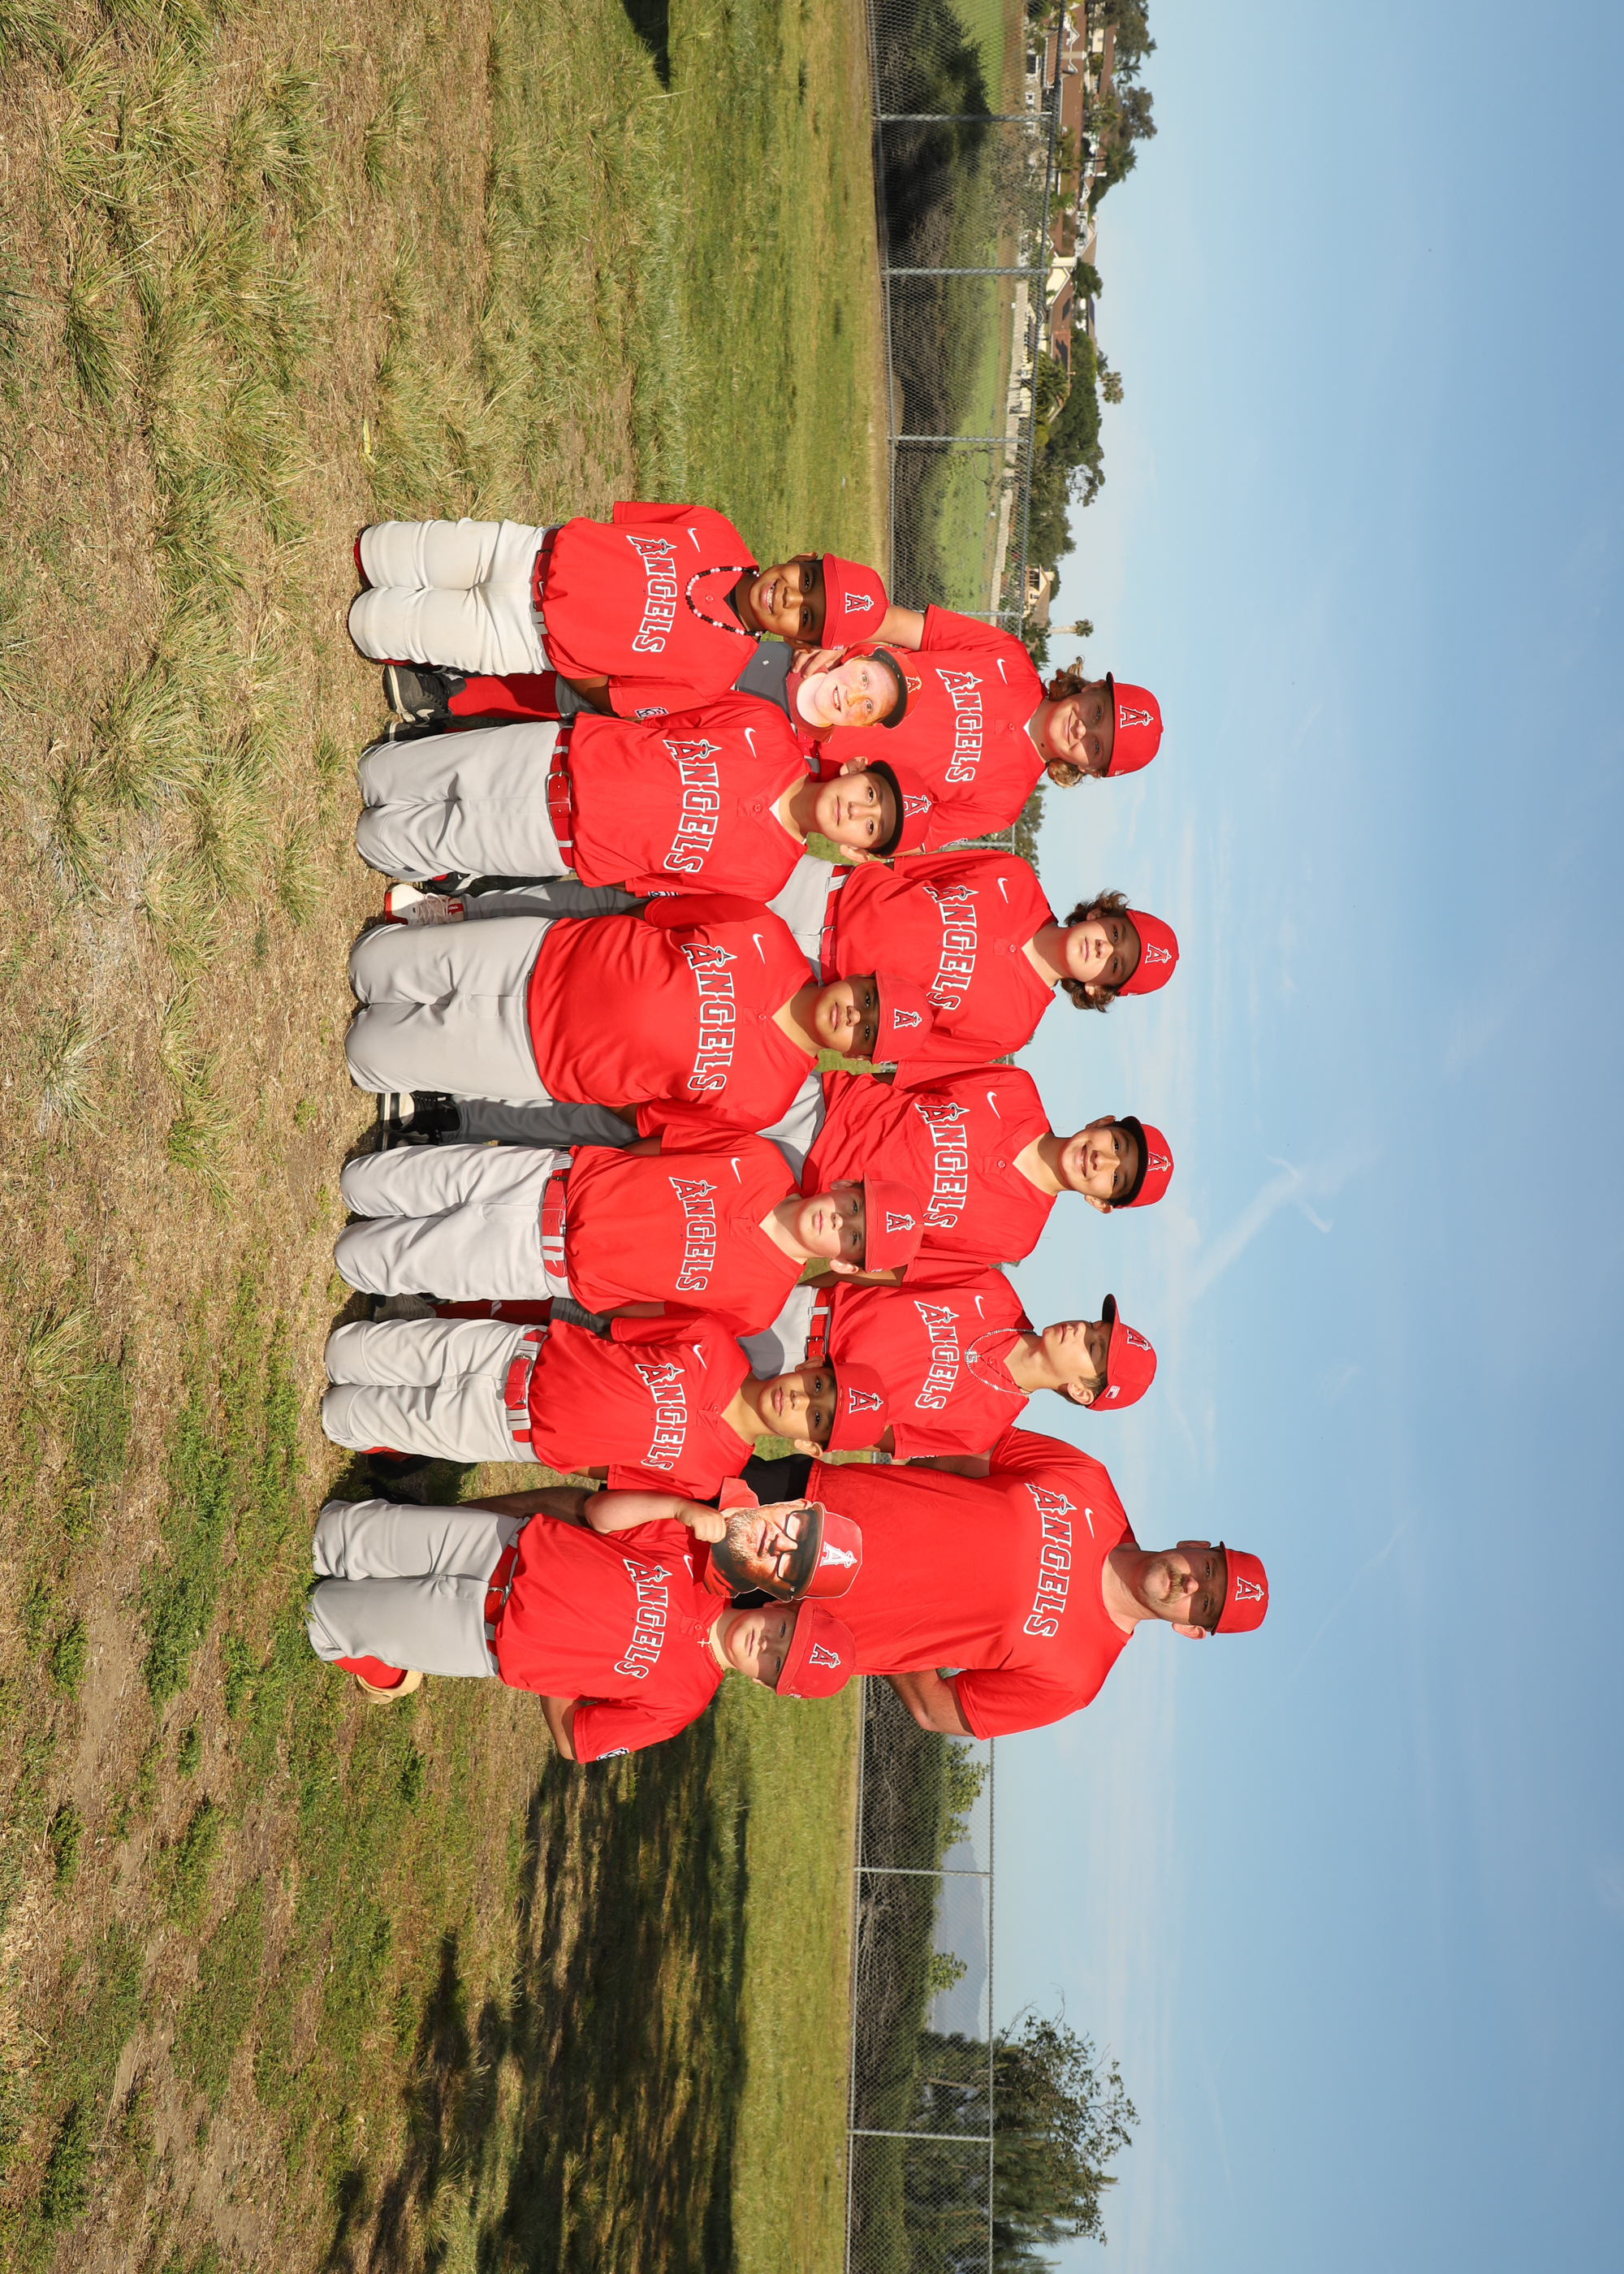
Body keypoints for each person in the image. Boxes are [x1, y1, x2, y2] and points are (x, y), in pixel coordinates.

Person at [740, 1430, 1269, 1738]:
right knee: (690, 1486)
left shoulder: (1075, 1681)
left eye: (1206, 1605)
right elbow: (967, 1448)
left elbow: (936, 1710)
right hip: (808, 1499)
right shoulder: (1089, 1480)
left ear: (1190, 1630)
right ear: (1197, 1545)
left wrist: (887, 1630)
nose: (1192, 1585)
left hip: (792, 1612)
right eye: (1209, 1569)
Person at [304, 1489, 856, 1758]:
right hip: (495, 1546)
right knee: (332, 1534)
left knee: (323, 1614)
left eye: (775, 1664)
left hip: (477, 1635)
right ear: (778, 1609)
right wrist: (676, 1510)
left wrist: (557, 1666)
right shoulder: (697, 1562)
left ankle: (387, 1672)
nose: (766, 1646)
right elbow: (600, 1517)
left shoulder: (681, 1706)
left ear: (763, 1683)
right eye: (783, 1634)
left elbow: (576, 1741)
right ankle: (390, 1652)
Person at [342, 893, 939, 1137]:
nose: (853, 1016)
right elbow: (652, 915)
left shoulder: (770, 1101)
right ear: (858, 977)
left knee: (364, 1055)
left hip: (534, 1059)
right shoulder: (767, 931)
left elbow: (649, 1113)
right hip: (537, 955)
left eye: (867, 1033)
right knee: (367, 963)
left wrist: (594, 1070)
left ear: (858, 1057)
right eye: (868, 1000)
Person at [351, 697, 907, 905]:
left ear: (855, 852)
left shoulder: (766, 880)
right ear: (855, 767)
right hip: (548, 756)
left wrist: (592, 850)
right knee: (376, 773)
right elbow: (661, 717)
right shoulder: (766, 727)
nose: (857, 812)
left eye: (870, 827)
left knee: (376, 840)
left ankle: (431, 867)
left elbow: (648, 884)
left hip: (549, 841)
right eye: (870, 794)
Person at [348, 510, 901, 719]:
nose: (791, 598)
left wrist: (562, 652)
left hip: (518, 637)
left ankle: (419, 645)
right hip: (519, 549)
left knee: (369, 624)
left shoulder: (715, 675)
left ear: (800, 645)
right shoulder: (716, 530)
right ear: (803, 557)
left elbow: (615, 698)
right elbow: (622, 528)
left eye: (806, 619)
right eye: (808, 582)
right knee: (373, 549)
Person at [332, 1137, 925, 1327]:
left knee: (358, 1258)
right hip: (542, 1177)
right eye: (854, 1207)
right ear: (844, 1184)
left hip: (537, 1260)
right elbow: (656, 1149)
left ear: (844, 1265)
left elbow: (650, 1311)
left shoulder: (760, 1305)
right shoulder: (763, 1159)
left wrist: (586, 1278)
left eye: (853, 1239)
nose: (840, 1221)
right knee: (361, 1180)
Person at [318, 1309, 896, 1489]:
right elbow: (612, 1325)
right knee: (343, 1351)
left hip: (505, 1428)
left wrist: (545, 1442)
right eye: (818, 1387)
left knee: (338, 1417)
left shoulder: (715, 1476)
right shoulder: (715, 1340)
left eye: (816, 1419)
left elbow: (609, 1473)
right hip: (512, 1352)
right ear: (809, 1366)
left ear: (808, 1445)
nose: (800, 1401)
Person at [767, 844, 1179, 1069]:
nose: (1104, 948)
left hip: (813, 987)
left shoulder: (1013, 1028)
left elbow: (908, 1045)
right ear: (1099, 914)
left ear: (1098, 989)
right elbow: (909, 869)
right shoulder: (1015, 877)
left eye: (1115, 964)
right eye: (1115, 934)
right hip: (823, 891)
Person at [797, 601, 1164, 845]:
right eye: (1097, 713)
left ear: (1090, 769)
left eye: (1096, 746)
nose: (1082, 730)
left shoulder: (1004, 806)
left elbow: (910, 838)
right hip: (815, 682)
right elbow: (897, 625)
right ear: (1094, 688)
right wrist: (843, 637)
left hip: (807, 774)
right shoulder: (1008, 655)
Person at [775, 1063, 1173, 1276]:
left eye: (1116, 1178)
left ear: (1101, 1202)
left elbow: (897, 1262)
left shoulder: (1016, 1238)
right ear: (1102, 1123)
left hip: (798, 1201)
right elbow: (904, 1080)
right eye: (1117, 1145)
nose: (1103, 1161)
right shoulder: (1016, 1088)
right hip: (819, 1106)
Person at [782, 1273, 1157, 1461]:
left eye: (1092, 1346)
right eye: (1093, 1326)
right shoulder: (995, 1290)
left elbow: (880, 1435)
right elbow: (881, 1273)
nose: (1080, 1329)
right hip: (806, 1314)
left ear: (1080, 1390)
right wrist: (797, 1296)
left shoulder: (983, 1430)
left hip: (795, 1396)